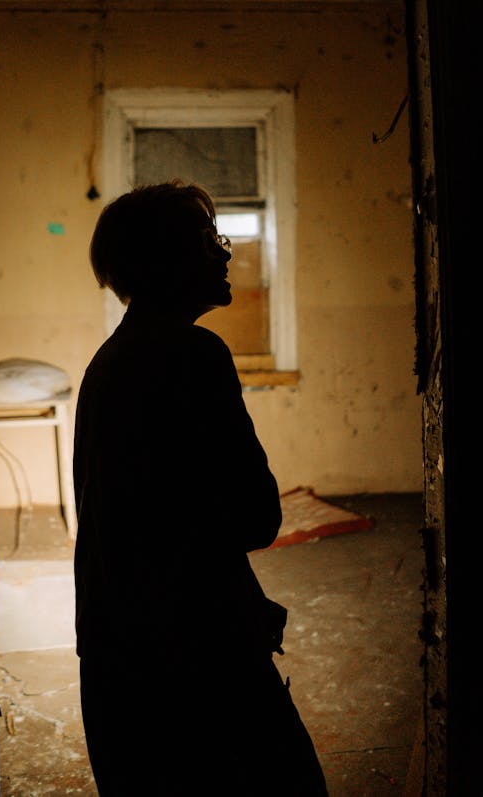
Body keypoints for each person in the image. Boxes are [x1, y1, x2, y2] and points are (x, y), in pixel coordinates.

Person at [73, 180, 329, 795]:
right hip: (193, 659)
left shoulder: (110, 361)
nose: (224, 252)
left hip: (122, 655)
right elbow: (255, 517)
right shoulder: (191, 354)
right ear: (159, 260)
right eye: (206, 240)